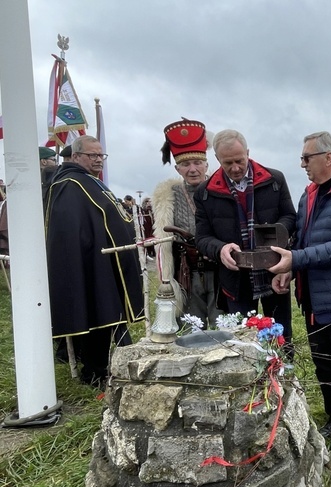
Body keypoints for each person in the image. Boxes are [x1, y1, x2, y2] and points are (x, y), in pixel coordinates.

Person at [269, 131, 331, 455]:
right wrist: (289, 269)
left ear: (328, 158)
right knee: (323, 365)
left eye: (306, 158)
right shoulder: (308, 195)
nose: (302, 164)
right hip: (314, 298)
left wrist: (296, 259)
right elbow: (301, 239)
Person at [44, 135, 144, 386]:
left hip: (107, 260)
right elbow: (72, 229)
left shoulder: (89, 182)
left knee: (110, 311)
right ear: (76, 156)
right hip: (91, 263)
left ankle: (114, 362)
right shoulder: (69, 184)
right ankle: (95, 372)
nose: (99, 160)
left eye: (101, 155)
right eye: (92, 155)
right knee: (97, 312)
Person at [194, 129, 296, 346]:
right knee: (241, 340)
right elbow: (202, 237)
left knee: (281, 336)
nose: (235, 168)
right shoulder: (205, 192)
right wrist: (220, 248)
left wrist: (274, 232)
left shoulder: (274, 180)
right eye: (227, 162)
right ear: (217, 159)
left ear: (248, 152)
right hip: (235, 279)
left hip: (273, 271)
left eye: (239, 160)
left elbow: (290, 216)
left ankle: (283, 375)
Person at [153, 119, 219, 327]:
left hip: (219, 271)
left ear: (206, 164)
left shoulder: (221, 190)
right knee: (191, 329)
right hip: (187, 274)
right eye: (185, 164)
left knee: (224, 327)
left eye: (198, 163)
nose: (192, 169)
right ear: (177, 168)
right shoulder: (169, 196)